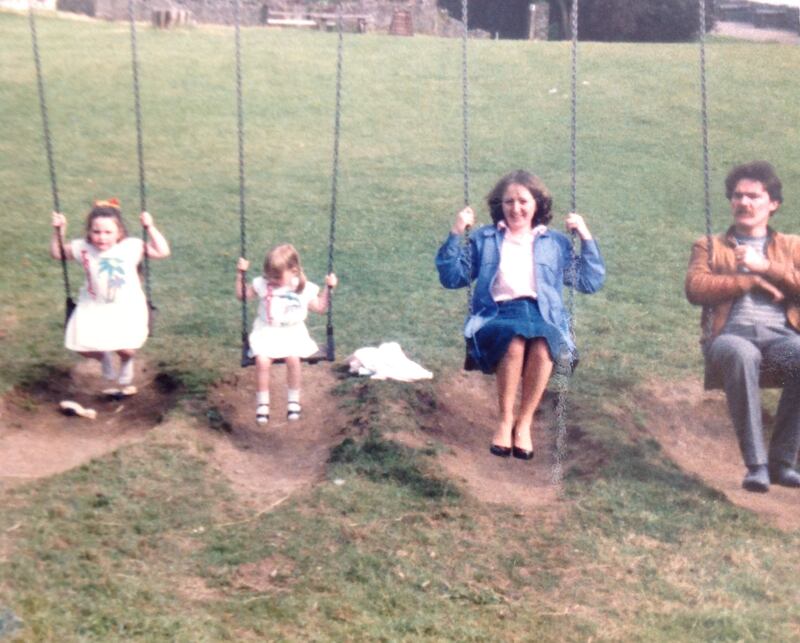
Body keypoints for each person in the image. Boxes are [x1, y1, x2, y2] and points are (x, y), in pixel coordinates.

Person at [436, 170, 605, 460]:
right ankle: (504, 421)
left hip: (544, 314)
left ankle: (524, 423)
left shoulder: (555, 243)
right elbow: (452, 277)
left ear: (537, 204)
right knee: (513, 343)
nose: (516, 208)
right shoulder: (485, 239)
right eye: (509, 202)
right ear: (499, 206)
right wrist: (456, 230)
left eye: (523, 201)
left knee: (542, 347)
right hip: (496, 313)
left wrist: (585, 235)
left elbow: (590, 281)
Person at [686, 161, 800, 493]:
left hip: (781, 340)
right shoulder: (710, 245)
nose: (744, 203)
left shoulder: (792, 246)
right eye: (737, 196)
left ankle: (782, 462)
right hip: (729, 337)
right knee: (740, 354)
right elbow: (695, 287)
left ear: (773, 203)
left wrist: (765, 266)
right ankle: (757, 465)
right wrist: (748, 282)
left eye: (753, 196)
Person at [50, 198, 170, 393]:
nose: (102, 237)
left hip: (126, 305)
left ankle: (126, 361)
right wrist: (59, 231)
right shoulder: (83, 247)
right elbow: (58, 253)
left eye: (108, 232)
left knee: (127, 348)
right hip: (92, 304)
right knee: (80, 345)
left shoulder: (131, 246)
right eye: (96, 232)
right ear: (89, 232)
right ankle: (104, 357)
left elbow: (162, 251)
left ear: (119, 233)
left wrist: (150, 227)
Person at [236, 244, 337, 425]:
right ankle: (263, 404)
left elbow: (320, 308)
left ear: (294, 271)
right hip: (266, 331)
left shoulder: (302, 288)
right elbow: (242, 295)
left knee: (293, 358)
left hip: (293, 332)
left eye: (276, 276)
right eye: (268, 275)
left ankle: (293, 401)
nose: (271, 280)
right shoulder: (263, 283)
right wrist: (240, 273)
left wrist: (329, 289)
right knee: (262, 360)